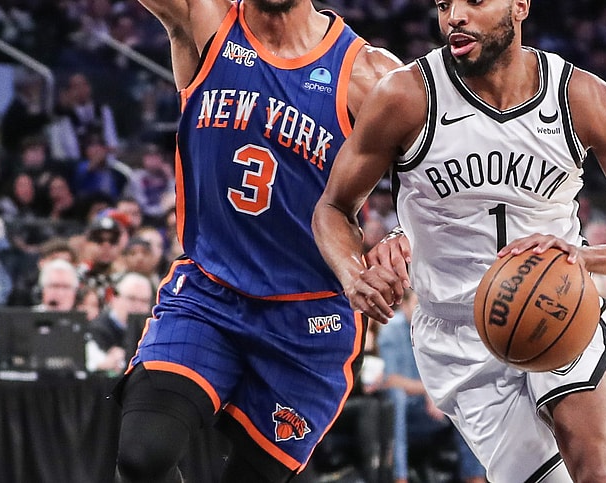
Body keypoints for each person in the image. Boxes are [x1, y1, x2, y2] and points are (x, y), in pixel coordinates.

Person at [312, 1, 606, 481]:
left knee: (598, 469)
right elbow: (333, 207)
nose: (455, 16)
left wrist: (584, 258)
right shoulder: (406, 95)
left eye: (475, 1)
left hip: (558, 302)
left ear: (520, 5)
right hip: (459, 333)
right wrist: (354, 274)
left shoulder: (581, 98)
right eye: (444, 4)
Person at [113, 0, 402, 481]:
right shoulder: (205, 20)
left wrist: (401, 234)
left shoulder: (368, 74)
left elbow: (438, 176)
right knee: (143, 454)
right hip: (211, 292)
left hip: (308, 318)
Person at [378, 289, 486, 483]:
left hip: (431, 407)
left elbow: (452, 372)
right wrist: (430, 391)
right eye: (417, 305)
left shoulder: (435, 326)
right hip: (406, 408)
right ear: (404, 305)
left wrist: (438, 395)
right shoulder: (392, 329)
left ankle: (475, 477)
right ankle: (399, 478)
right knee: (397, 398)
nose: (422, 311)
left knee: (466, 397)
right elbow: (391, 380)